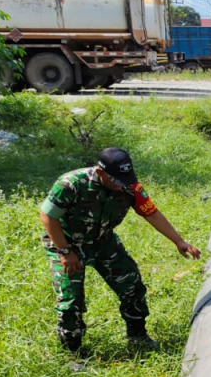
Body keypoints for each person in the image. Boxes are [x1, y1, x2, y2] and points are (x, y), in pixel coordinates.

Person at [39, 147, 201, 353]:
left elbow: (151, 213)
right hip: (66, 242)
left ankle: (137, 337)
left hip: (102, 241)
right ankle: (73, 352)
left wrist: (179, 241)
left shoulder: (130, 186)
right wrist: (65, 251)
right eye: (116, 180)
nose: (121, 185)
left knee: (131, 285)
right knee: (71, 300)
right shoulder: (71, 184)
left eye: (125, 179)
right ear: (100, 172)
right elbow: (48, 216)